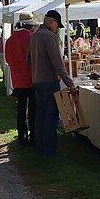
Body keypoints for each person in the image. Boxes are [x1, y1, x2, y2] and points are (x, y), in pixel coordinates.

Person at [27, 9, 75, 156]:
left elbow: (28, 60)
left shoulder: (34, 36)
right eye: (56, 25)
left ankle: (40, 147)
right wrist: (70, 83)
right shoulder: (49, 37)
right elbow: (58, 64)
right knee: (50, 116)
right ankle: (49, 150)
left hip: (37, 81)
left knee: (40, 115)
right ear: (51, 22)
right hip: (49, 82)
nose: (56, 28)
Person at [6, 13, 37, 147]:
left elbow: (8, 60)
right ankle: (33, 138)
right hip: (30, 78)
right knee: (32, 110)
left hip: (17, 80)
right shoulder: (29, 38)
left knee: (21, 110)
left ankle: (21, 139)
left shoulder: (10, 40)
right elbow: (34, 60)